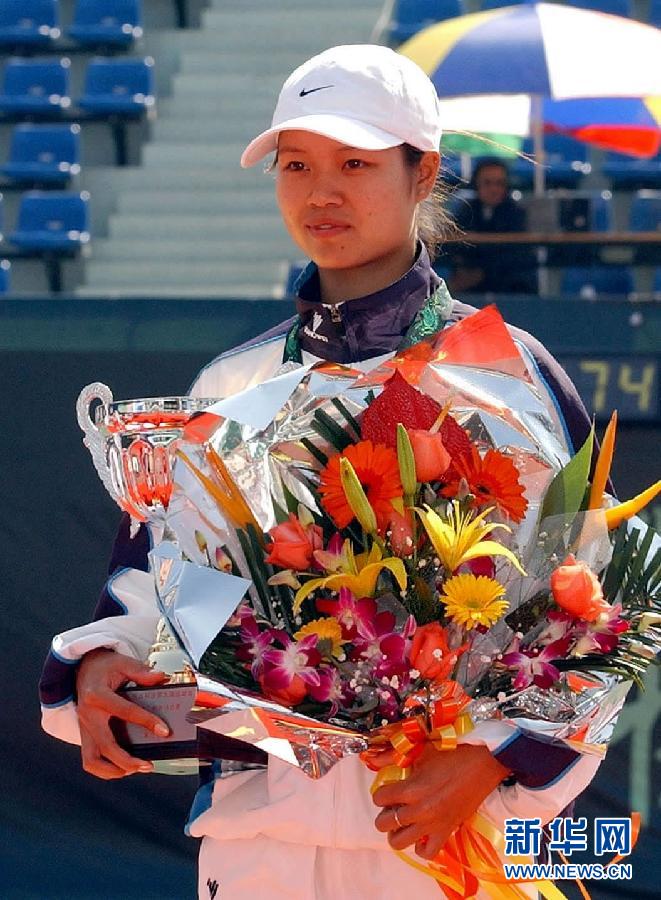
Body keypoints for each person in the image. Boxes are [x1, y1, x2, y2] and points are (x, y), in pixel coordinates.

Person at [40, 45, 607, 899]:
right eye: (295, 165)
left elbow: (594, 616)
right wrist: (101, 666)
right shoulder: (232, 384)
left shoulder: (509, 377)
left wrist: (494, 765)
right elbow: (165, 584)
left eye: (354, 163)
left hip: (448, 841)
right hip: (261, 841)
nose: (320, 192)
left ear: (425, 175)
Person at [447, 157, 538, 295]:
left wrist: (482, 274)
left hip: (510, 290)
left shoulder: (517, 215)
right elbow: (454, 247)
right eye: (487, 183)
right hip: (471, 292)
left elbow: (516, 257)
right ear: (477, 184)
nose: (493, 189)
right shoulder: (466, 212)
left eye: (499, 183)